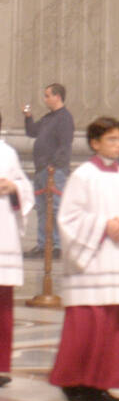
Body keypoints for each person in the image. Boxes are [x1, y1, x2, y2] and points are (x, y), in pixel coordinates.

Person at [49, 116, 119, 401]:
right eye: (112, 139)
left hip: (116, 259)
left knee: (111, 327)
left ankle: (101, 383)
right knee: (85, 326)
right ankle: (74, 382)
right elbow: (68, 218)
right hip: (90, 261)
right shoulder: (82, 176)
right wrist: (103, 226)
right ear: (95, 143)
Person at [0, 113, 35, 387]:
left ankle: (0, 366)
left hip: (4, 235)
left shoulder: (8, 153)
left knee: (3, 306)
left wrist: (13, 187)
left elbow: (25, 187)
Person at [22, 83, 74, 257]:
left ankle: (58, 245)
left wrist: (54, 165)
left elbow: (64, 145)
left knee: (56, 208)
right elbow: (32, 132)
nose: (45, 99)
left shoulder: (64, 118)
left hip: (54, 171)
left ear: (57, 96)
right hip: (41, 169)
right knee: (43, 209)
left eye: (47, 95)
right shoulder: (48, 118)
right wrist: (28, 116)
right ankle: (43, 244)